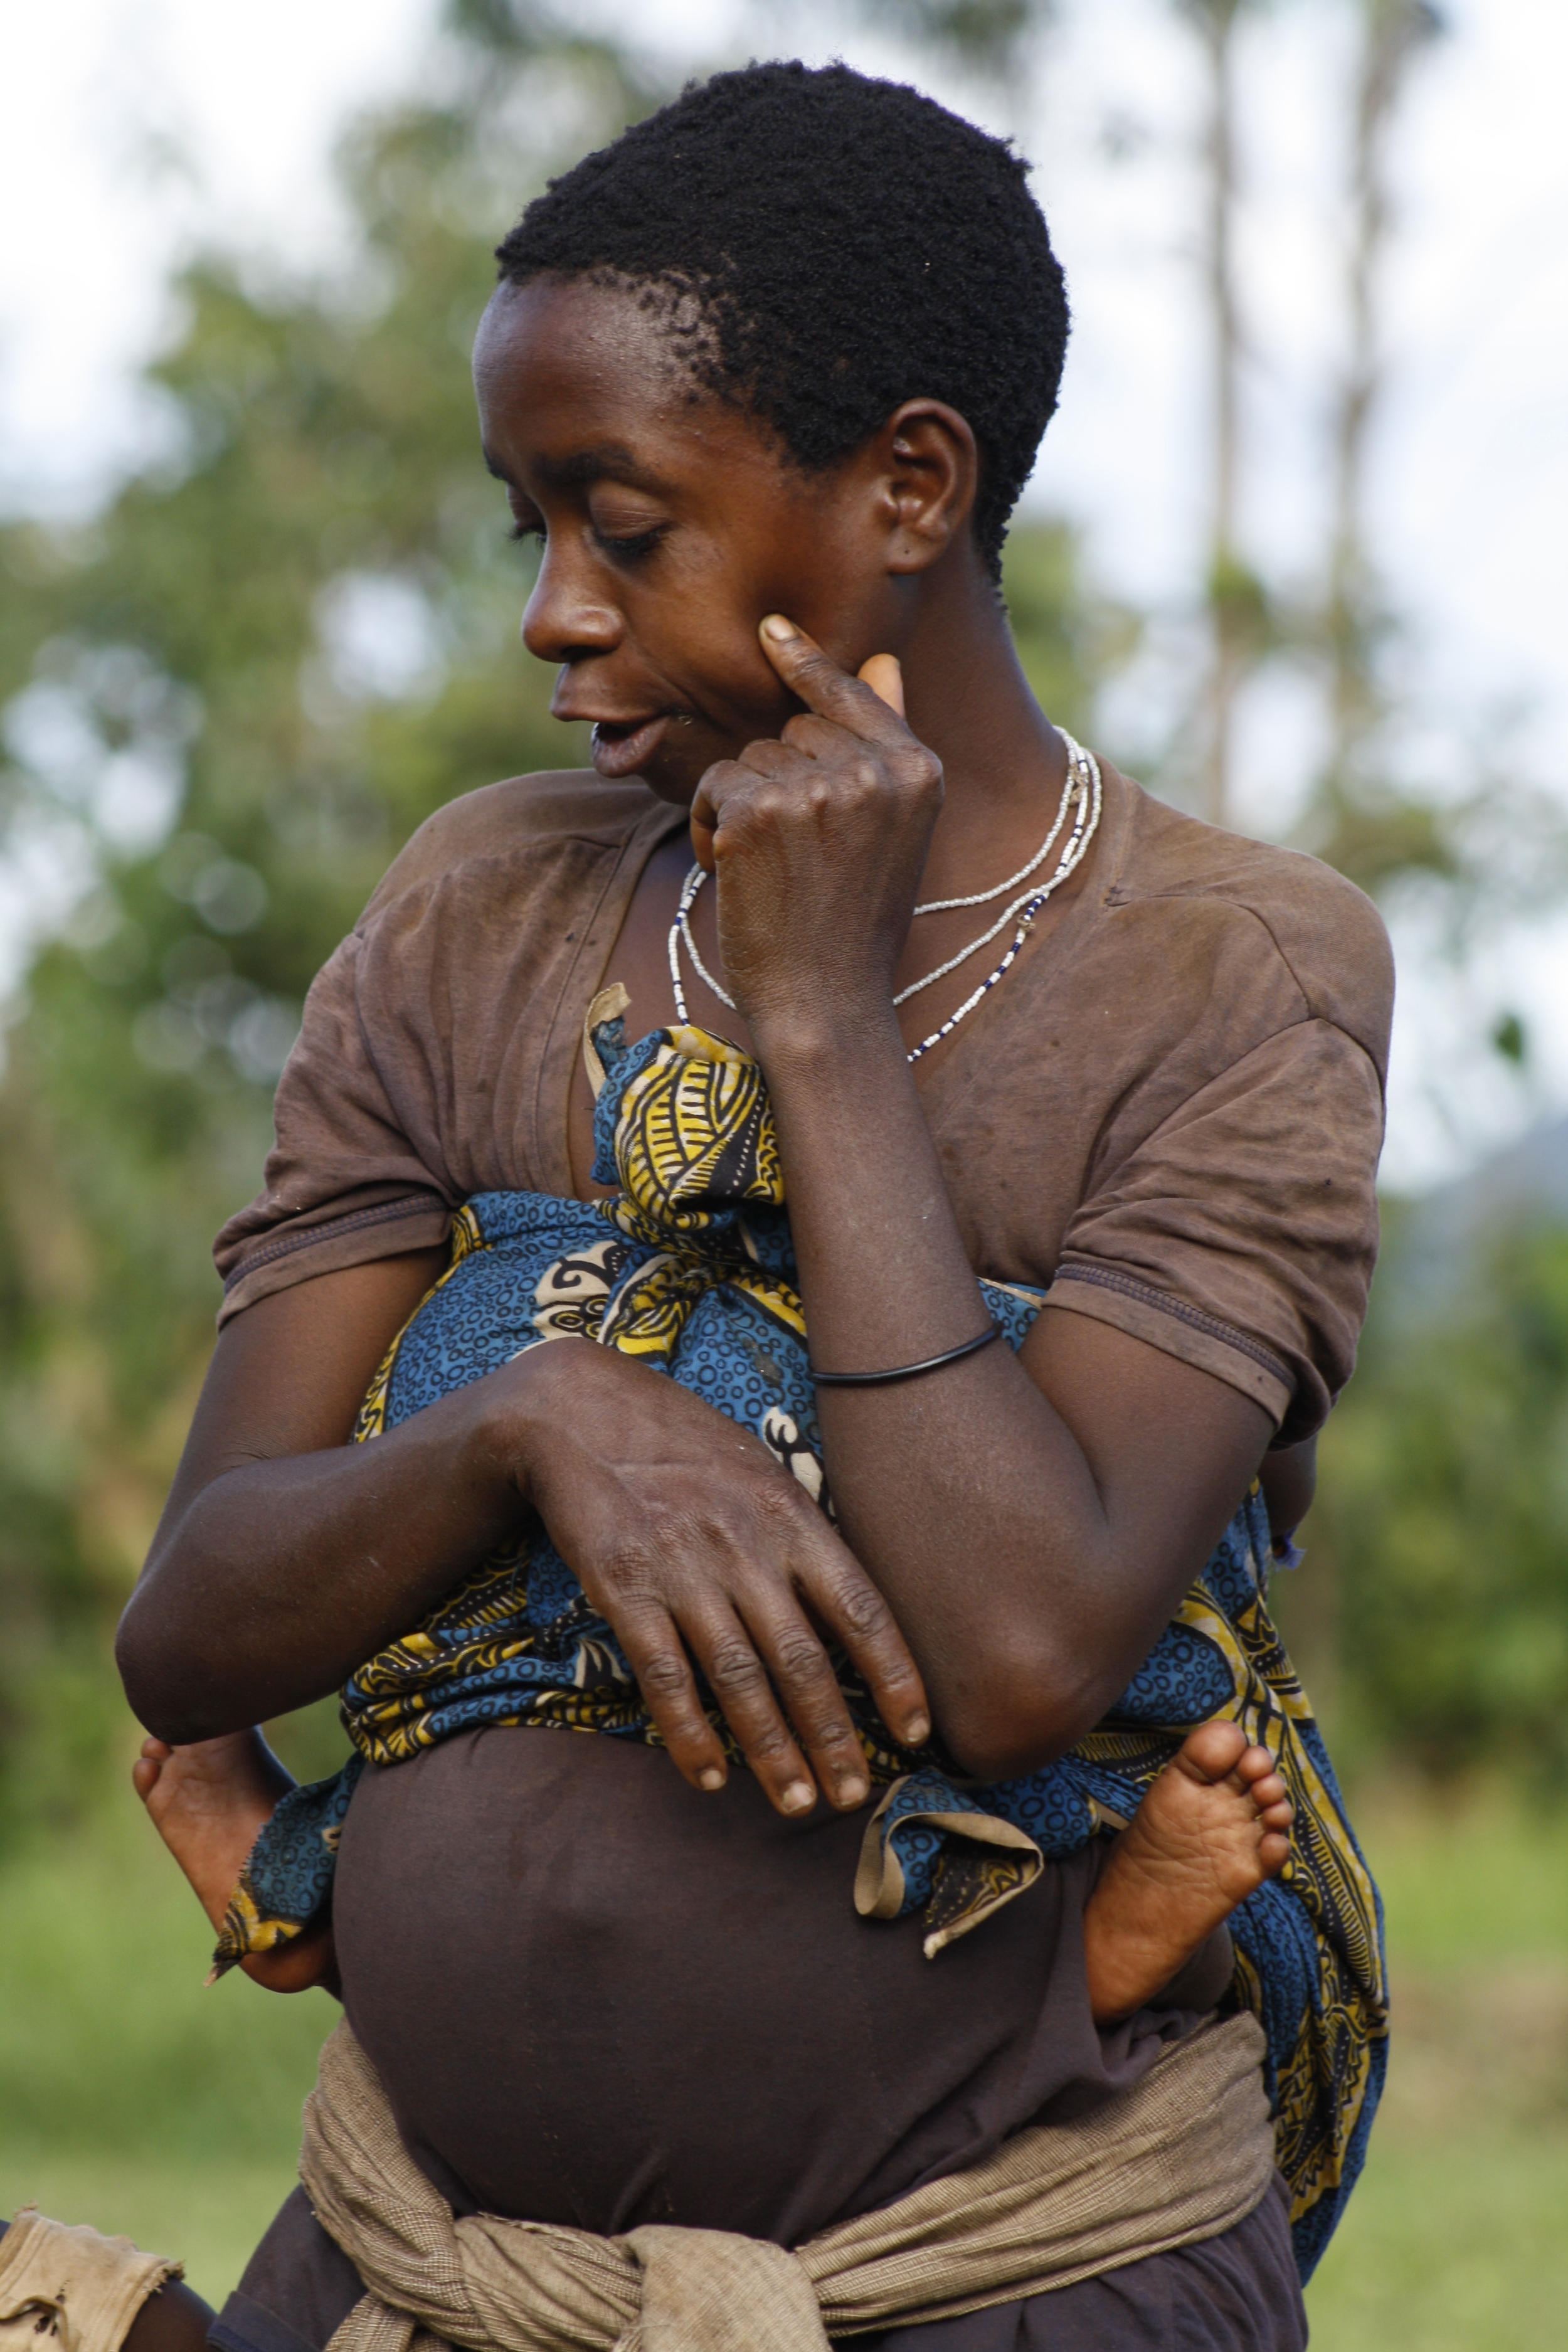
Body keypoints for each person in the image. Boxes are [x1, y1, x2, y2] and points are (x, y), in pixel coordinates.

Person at [114, 60, 1391, 2352]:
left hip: (1002, 2282)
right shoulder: (479, 907)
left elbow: (1015, 1659)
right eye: (525, 525)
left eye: (621, 523)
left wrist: (825, 1023)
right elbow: (201, 1624)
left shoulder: (1227, 970)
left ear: (909, 483)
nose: (550, 614)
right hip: (433, 2270)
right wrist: (544, 1429)